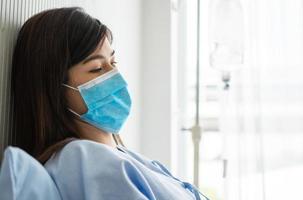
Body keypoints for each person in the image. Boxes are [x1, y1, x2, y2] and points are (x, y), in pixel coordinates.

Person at [9, 7, 209, 200]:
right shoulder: (83, 159)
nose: (116, 78)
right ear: (54, 88)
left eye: (113, 63)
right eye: (97, 69)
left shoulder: (119, 155)